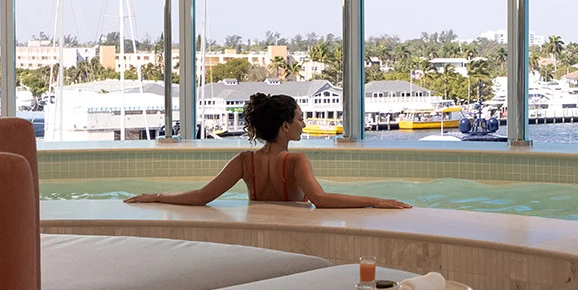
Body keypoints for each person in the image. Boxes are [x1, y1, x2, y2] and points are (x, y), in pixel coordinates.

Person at [125, 93, 412, 209]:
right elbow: (321, 199)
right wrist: (374, 200)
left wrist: (157, 196)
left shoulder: (244, 161)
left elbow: (202, 196)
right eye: (300, 119)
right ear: (285, 126)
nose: (303, 124)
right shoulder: (297, 160)